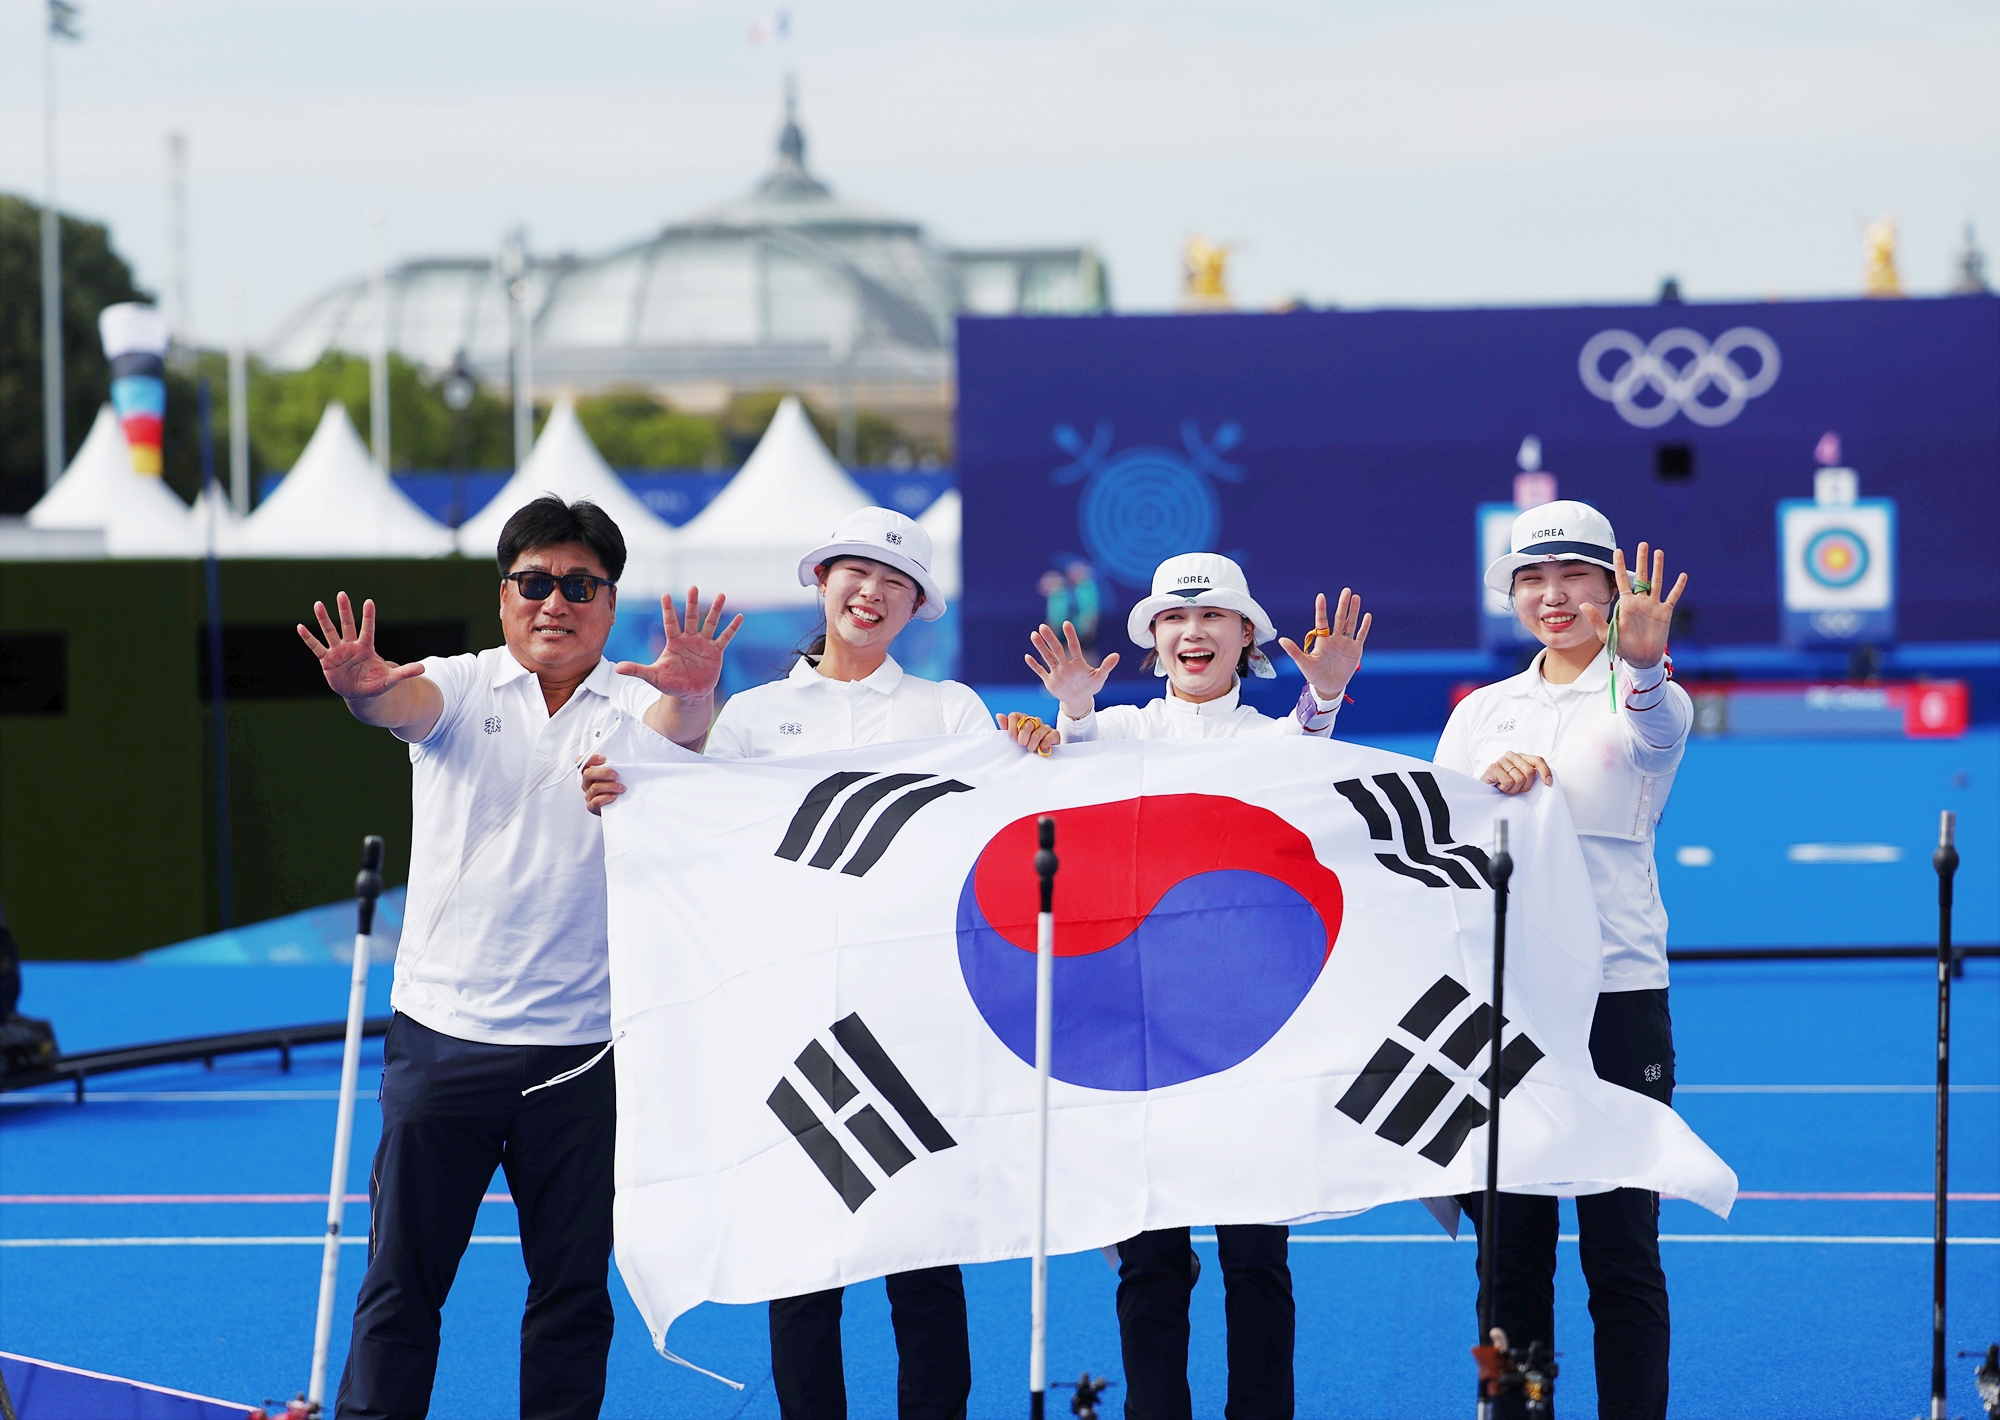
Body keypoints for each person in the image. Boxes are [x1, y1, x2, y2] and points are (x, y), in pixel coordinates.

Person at [583, 506, 1055, 1420]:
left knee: (925, 1259)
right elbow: (698, 821)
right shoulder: (754, 716)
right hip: (793, 1022)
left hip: (921, 1021)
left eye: (894, 581)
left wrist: (1042, 745)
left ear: (919, 605)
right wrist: (629, 789)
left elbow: (1007, 821)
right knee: (801, 1260)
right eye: (854, 572)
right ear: (821, 582)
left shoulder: (950, 711)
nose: (870, 592)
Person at [298, 494, 740, 1420]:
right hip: (444, 1043)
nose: (556, 603)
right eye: (534, 582)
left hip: (583, 1055)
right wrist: (358, 687)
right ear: (503, 597)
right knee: (401, 1289)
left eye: (580, 585)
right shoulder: (460, 685)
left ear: (610, 604)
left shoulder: (640, 704)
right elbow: (395, 702)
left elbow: (682, 738)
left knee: (572, 1299)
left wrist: (694, 691)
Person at [1010, 552, 1370, 1420]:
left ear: (1247, 636)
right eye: (1174, 619)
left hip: (1255, 1030)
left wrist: (1322, 698)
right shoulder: (1116, 731)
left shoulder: (1272, 740)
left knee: (1255, 1255)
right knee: (1151, 1254)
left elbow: (1310, 765)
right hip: (1138, 1030)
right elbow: (1071, 767)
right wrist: (1059, 721)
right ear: (1154, 640)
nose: (1192, 632)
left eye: (1212, 619)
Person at [1436, 499, 1690, 1420]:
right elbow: (1440, 852)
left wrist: (1646, 663)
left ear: (1613, 588)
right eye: (1533, 580)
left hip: (1618, 999)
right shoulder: (1481, 714)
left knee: (1621, 1247)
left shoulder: (1645, 693)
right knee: (1510, 1258)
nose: (1554, 597)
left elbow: (1654, 737)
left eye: (1576, 577)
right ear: (1511, 595)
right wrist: (1485, 789)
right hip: (1505, 1004)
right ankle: (1518, 1415)